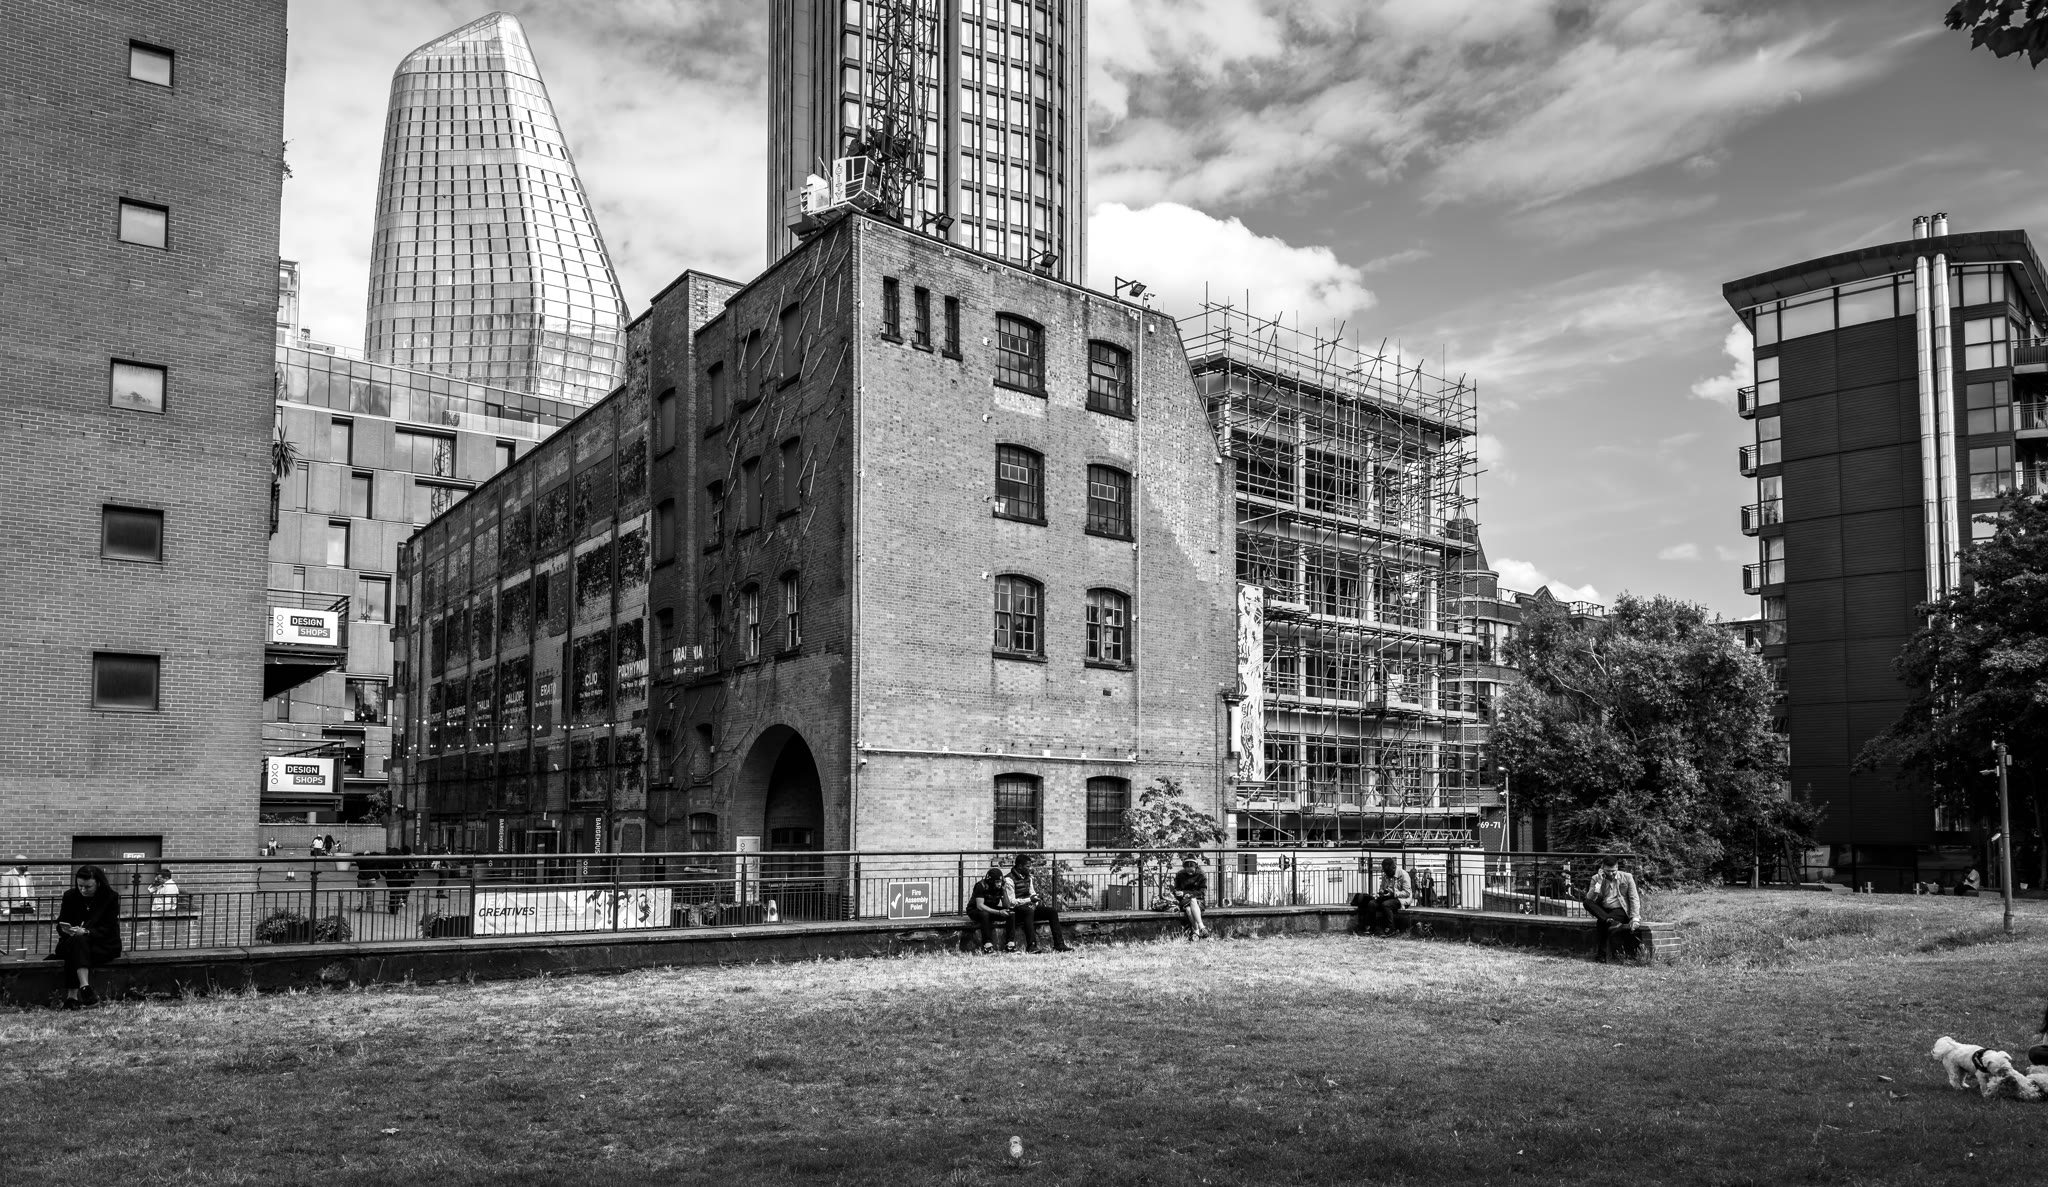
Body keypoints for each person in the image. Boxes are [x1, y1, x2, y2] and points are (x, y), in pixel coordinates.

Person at [50, 865, 121, 1009]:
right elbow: (61, 922)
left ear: (98, 883)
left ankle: (72, 997)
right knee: (77, 943)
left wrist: (87, 932)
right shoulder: (70, 896)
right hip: (74, 941)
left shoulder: (110, 898)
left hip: (101, 944)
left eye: (88, 887)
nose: (83, 890)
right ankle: (85, 986)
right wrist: (67, 930)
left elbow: (108, 928)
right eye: (80, 886)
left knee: (76, 947)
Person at [1003, 853, 1071, 953]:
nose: (1030, 868)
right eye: (1027, 866)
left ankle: (1059, 944)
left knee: (1052, 912)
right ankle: (1031, 946)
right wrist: (1029, 900)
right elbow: (1011, 902)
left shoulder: (1028, 878)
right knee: (1028, 911)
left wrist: (1035, 902)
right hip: (1017, 911)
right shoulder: (1009, 879)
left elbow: (1033, 894)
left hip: (1029, 907)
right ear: (1020, 866)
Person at [1583, 855, 1642, 962]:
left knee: (1602, 923)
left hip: (1620, 910)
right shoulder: (1596, 878)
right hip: (1604, 910)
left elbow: (1634, 898)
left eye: (1613, 871)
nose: (1611, 873)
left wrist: (1635, 918)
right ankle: (1609, 920)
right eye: (1608, 871)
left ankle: (1601, 955)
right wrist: (1599, 882)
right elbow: (1590, 898)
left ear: (1617, 867)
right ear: (1602, 868)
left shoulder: (1627, 877)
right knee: (1587, 902)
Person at [1363, 858, 1414, 936]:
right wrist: (1382, 892)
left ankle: (1391, 929)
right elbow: (1382, 887)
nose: (1387, 874)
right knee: (1372, 904)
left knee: (1386, 905)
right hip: (1389, 897)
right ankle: (1372, 928)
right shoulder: (1386, 874)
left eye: (1388, 872)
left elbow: (1407, 893)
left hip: (1402, 899)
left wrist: (1393, 894)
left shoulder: (1404, 875)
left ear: (1394, 867)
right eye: (1385, 872)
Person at [966, 866, 1012, 954]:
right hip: (975, 910)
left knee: (1011, 913)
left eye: (1000, 881)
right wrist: (998, 912)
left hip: (991, 908)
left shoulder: (1001, 887)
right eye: (997, 882)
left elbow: (1007, 906)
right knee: (985, 915)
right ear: (991, 881)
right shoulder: (981, 886)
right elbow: (980, 906)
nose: (999, 884)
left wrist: (1004, 891)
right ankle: (987, 945)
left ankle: (1010, 944)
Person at [1172, 858, 1210, 940]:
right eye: (1187, 870)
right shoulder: (1180, 874)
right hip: (1184, 900)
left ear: (1196, 867)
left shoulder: (1201, 875)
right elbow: (1176, 889)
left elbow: (1202, 892)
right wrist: (1178, 893)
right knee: (1191, 901)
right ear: (1184, 868)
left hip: (1199, 900)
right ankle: (1202, 927)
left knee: (1189, 909)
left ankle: (1196, 932)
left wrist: (1186, 893)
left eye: (1191, 870)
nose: (1189, 872)